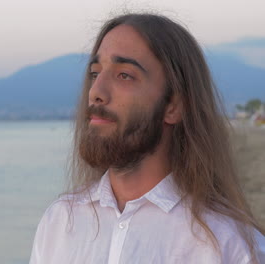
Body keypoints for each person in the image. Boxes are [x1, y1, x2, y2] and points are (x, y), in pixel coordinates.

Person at [30, 13, 265, 264]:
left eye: (124, 75)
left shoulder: (228, 245)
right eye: (95, 73)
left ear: (173, 105)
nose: (96, 92)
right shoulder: (61, 222)